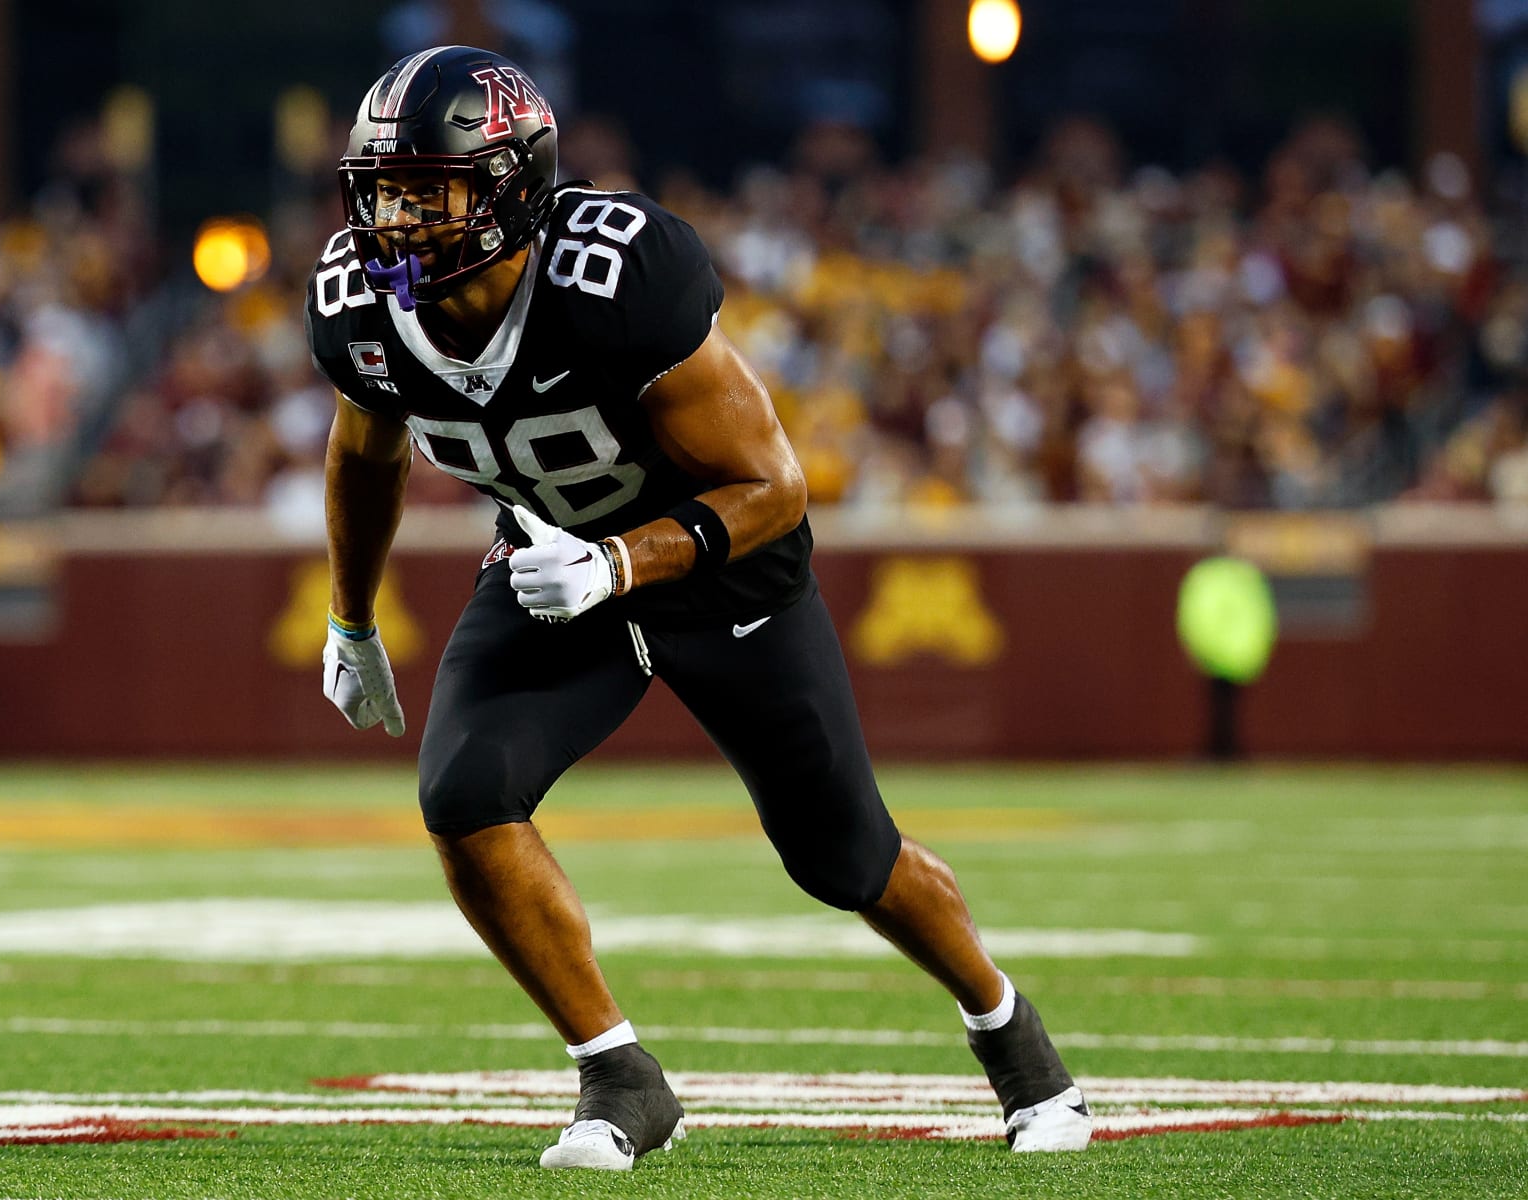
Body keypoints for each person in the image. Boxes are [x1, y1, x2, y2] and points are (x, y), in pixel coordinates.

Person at [308, 45, 1090, 1169]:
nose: (397, 218)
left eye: (429, 189)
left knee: (841, 852)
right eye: (382, 189)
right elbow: (364, 453)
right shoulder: (361, 309)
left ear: (512, 183)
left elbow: (774, 488)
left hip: (717, 567)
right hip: (553, 562)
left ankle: (1018, 1048)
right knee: (464, 792)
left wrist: (622, 565)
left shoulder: (617, 277)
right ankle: (619, 1077)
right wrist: (351, 619)